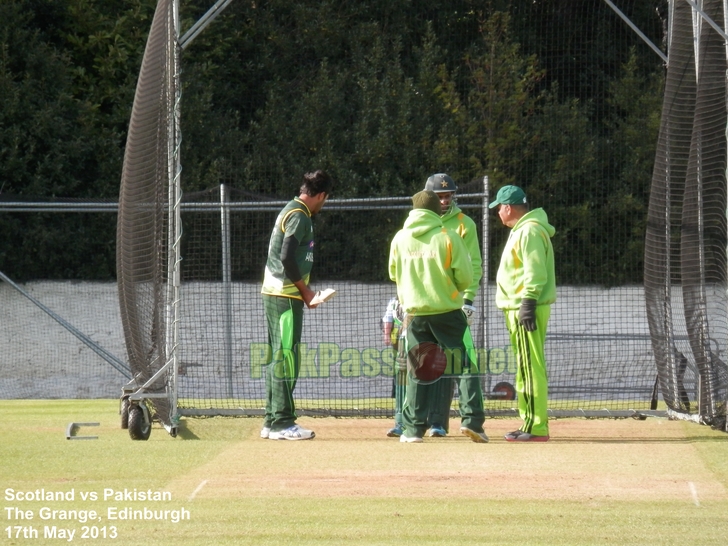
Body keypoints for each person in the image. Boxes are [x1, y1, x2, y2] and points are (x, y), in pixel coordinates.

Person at [388, 190, 488, 443]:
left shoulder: (400, 238)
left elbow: (393, 273)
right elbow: (465, 277)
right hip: (448, 312)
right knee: (465, 365)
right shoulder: (448, 236)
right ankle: (472, 421)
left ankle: (412, 430)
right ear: (435, 209)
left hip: (415, 314)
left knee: (418, 370)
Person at [260, 170, 334, 440]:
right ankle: (282, 423)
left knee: (278, 355)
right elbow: (286, 256)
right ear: (321, 195)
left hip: (275, 293)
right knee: (286, 357)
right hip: (286, 296)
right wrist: (306, 293)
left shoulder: (291, 209)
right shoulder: (300, 215)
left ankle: (271, 420)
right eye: (325, 199)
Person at [489, 185, 555, 442]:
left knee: (530, 367)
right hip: (519, 307)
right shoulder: (527, 229)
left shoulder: (528, 231)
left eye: (498, 208)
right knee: (526, 367)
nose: (497, 213)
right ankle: (529, 422)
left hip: (525, 308)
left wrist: (527, 303)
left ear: (508, 208)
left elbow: (535, 272)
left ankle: (535, 426)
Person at [422, 173, 484, 437]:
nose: (445, 201)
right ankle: (432, 423)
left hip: (456, 305)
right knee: (427, 363)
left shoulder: (464, 224)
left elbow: (474, 266)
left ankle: (470, 420)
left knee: (464, 360)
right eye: (440, 196)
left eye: (448, 196)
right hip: (425, 305)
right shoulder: (419, 223)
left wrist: (468, 300)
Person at [381, 296, 406, 437]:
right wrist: (387, 335)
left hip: (417, 341)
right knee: (400, 375)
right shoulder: (393, 301)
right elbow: (388, 318)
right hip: (401, 342)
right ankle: (401, 420)